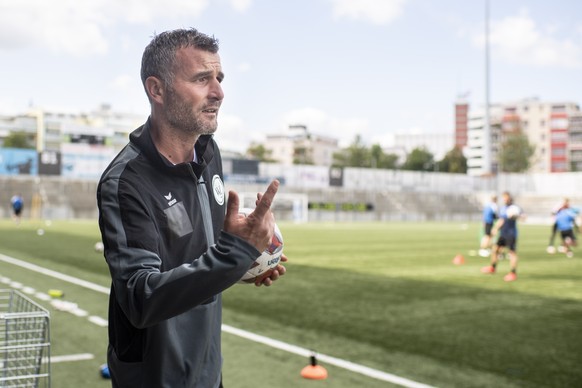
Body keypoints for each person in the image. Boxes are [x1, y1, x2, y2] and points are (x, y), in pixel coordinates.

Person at [96, 28, 287, 388]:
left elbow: (202, 254)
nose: (218, 92)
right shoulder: (126, 182)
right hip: (154, 377)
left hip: (207, 369)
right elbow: (141, 298)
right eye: (202, 79)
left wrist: (244, 263)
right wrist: (235, 254)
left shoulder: (208, 152)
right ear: (157, 89)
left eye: (219, 78)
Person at [481, 191, 521, 282]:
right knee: (495, 250)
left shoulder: (514, 208)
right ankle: (492, 267)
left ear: (510, 198)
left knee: (512, 253)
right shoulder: (503, 208)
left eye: (506, 198)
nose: (504, 199)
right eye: (503, 198)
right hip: (503, 233)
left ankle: (513, 273)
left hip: (511, 234)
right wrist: (496, 229)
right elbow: (501, 220)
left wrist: (516, 216)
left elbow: (522, 216)